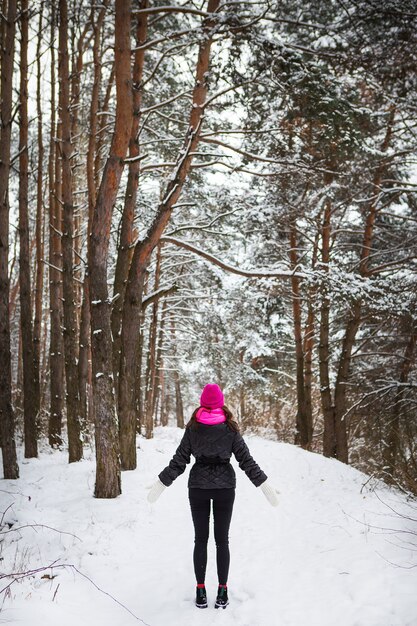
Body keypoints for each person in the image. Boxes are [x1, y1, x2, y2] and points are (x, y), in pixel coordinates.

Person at [147, 383, 279, 610]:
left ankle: (200, 590)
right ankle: (222, 591)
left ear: (202, 403)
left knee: (200, 539)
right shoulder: (230, 429)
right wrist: (264, 483)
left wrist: (162, 481)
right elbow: (246, 461)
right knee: (222, 540)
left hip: (197, 487)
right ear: (221, 403)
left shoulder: (193, 428)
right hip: (225, 489)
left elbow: (179, 461)